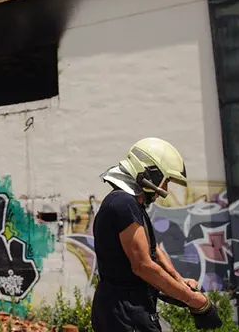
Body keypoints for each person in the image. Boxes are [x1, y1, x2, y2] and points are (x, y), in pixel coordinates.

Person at [90, 137, 221, 331]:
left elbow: (153, 249)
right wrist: (196, 301)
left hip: (128, 309)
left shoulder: (132, 204)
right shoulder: (123, 203)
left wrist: (179, 281)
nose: (164, 190)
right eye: (166, 180)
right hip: (124, 312)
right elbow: (143, 266)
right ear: (150, 173)